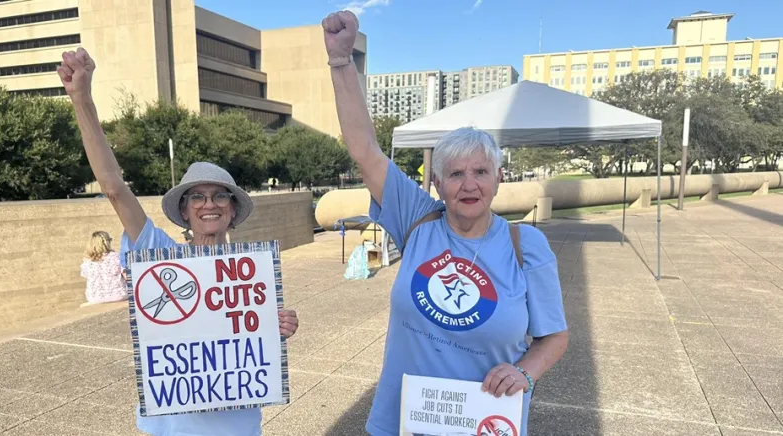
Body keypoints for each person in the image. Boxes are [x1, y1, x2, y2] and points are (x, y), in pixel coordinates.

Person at [321, 10, 569, 436]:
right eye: (455, 174)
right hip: (404, 422)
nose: (468, 185)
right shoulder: (418, 221)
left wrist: (525, 373)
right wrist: (341, 61)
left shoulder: (524, 246)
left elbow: (554, 337)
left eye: (480, 172)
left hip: (485, 423)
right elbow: (364, 148)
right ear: (436, 183)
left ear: (498, 179)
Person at [57, 47, 300, 436]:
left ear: (233, 209)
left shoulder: (249, 279)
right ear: (184, 210)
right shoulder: (159, 257)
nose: (209, 204)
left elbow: (251, 348)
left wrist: (276, 325)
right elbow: (113, 187)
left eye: (220, 195)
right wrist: (81, 99)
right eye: (197, 196)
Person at [80, 231, 127, 305]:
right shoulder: (116, 257)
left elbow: (86, 275)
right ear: (107, 243)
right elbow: (126, 276)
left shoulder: (87, 261)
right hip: (118, 295)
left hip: (94, 298)